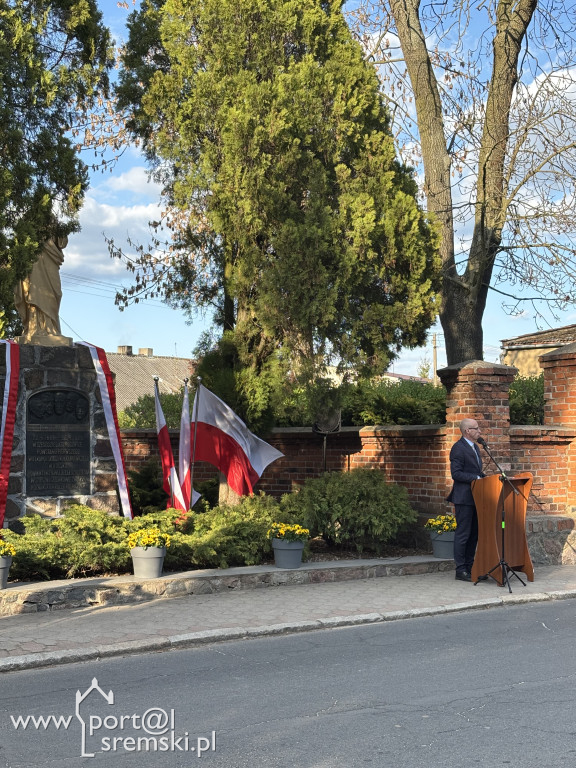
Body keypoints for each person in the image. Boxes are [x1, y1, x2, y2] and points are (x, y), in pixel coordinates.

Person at [447, 418, 485, 581]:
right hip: (464, 498)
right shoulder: (458, 448)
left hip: (476, 497)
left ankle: (471, 567)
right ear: (467, 431)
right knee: (463, 534)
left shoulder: (475, 447)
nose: (479, 431)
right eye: (476, 428)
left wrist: (486, 478)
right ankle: (460, 569)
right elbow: (456, 474)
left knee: (474, 534)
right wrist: (476, 477)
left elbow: (476, 471)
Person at [14, 233, 67, 341]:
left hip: (50, 259)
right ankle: (34, 328)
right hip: (33, 260)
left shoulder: (51, 219)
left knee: (54, 293)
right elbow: (21, 238)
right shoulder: (28, 219)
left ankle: (51, 327)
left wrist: (60, 232)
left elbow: (62, 242)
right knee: (34, 292)